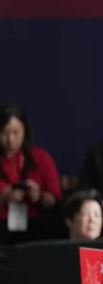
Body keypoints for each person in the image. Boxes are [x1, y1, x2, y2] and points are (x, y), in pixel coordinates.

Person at [0, 103, 62, 243]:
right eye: (4, 132)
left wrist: (39, 195)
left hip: (36, 226)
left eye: (16, 132)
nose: (10, 139)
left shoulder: (41, 157)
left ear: (25, 131)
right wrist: (4, 196)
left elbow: (54, 200)